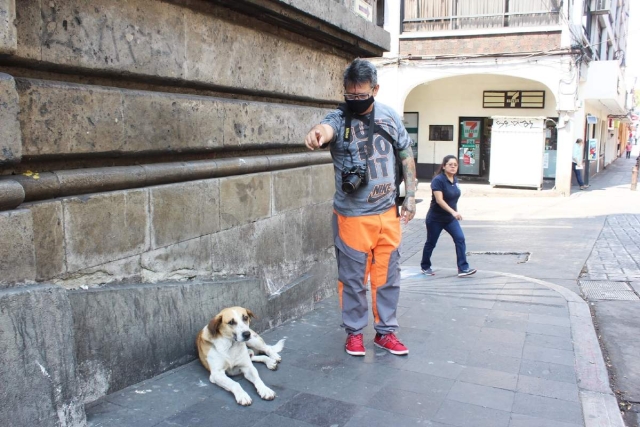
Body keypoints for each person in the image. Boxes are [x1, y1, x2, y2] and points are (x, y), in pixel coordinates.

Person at [304, 58, 416, 357]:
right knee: (353, 280)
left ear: (375, 89)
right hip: (352, 217)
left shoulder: (390, 117)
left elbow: (405, 154)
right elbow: (325, 128)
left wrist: (412, 196)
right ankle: (354, 333)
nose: (355, 100)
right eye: (350, 95)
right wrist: (318, 134)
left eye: (361, 94)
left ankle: (385, 333)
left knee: (387, 279)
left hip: (387, 214)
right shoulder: (339, 119)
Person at [419, 155, 476, 278]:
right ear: (444, 166)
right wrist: (453, 212)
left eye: (455, 165)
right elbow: (439, 201)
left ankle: (463, 268)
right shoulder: (438, 180)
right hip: (435, 219)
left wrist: (454, 212)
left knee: (460, 239)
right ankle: (425, 266)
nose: (453, 167)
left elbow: (453, 198)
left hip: (450, 219)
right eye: (450, 165)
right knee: (431, 243)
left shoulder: (455, 180)